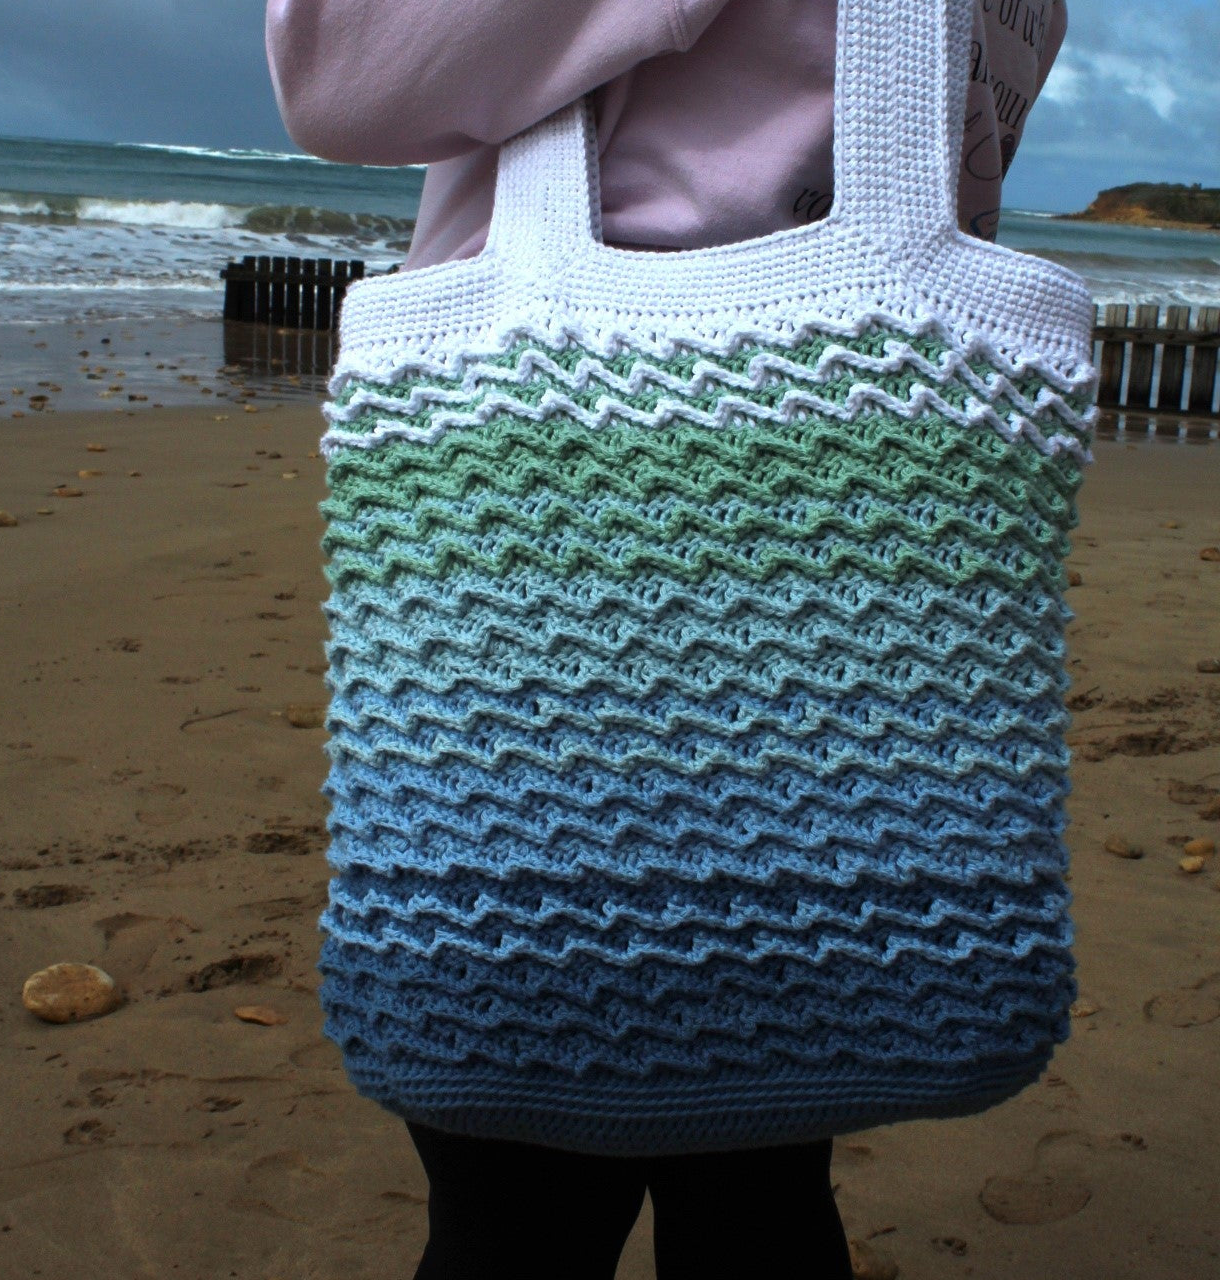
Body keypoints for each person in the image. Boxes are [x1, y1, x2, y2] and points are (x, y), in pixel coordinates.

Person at [265, 4, 1070, 1277]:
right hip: (843, 504)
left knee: (513, 1220)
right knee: (760, 1194)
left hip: (533, 524)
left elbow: (339, 75)